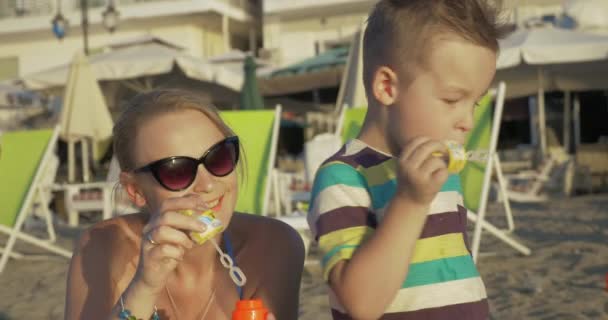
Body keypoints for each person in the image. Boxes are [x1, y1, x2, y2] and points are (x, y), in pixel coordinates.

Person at [307, 0, 511, 319]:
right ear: (387, 87)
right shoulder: (345, 176)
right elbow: (361, 304)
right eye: (452, 100)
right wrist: (410, 202)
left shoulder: (439, 170)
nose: (468, 121)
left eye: (476, 103)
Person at [65, 89, 304, 320]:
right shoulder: (105, 248)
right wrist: (145, 287)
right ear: (135, 190)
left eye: (218, 157)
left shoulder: (271, 247)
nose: (208, 185)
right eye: (177, 170)